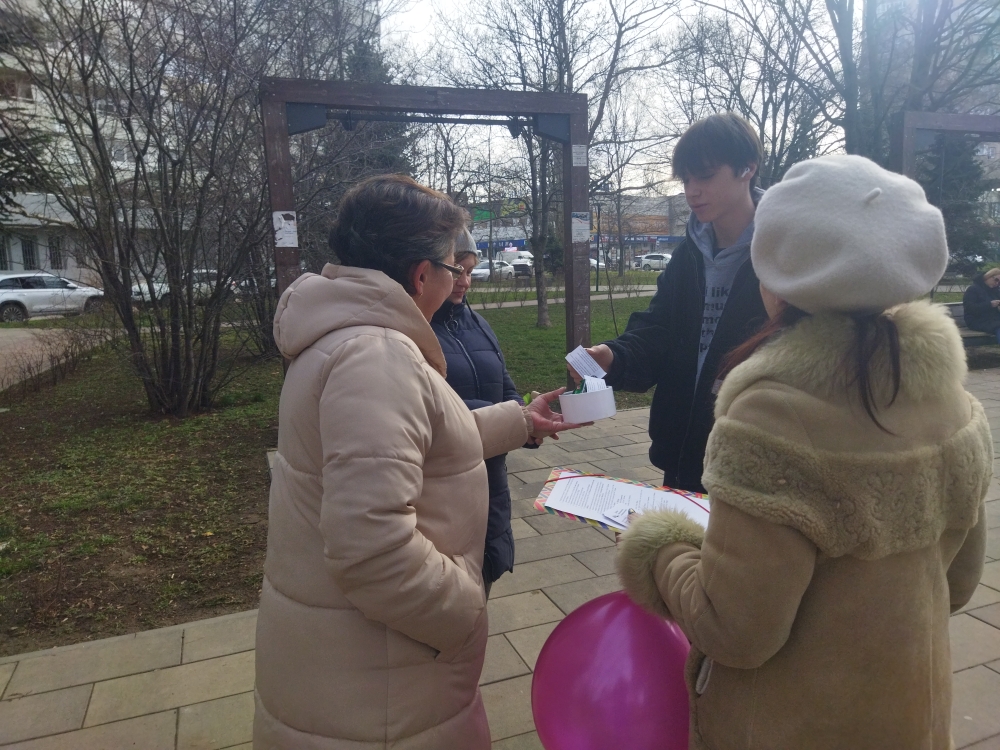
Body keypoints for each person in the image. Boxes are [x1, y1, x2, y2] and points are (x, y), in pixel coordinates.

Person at [617, 154, 990, 749]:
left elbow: (735, 629)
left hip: (788, 723)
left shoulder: (772, 417)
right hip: (911, 713)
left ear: (778, 270)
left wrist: (658, 548)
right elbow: (961, 584)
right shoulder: (956, 405)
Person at [253, 174, 584, 749]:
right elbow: (373, 550)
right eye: (454, 267)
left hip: (355, 663)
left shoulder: (346, 338)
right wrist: (464, 610)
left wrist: (520, 421)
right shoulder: (376, 356)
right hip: (384, 681)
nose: (459, 281)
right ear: (420, 275)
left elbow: (418, 441)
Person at [575, 113, 767, 492]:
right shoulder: (688, 254)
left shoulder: (782, 253)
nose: (692, 191)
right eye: (686, 180)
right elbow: (660, 330)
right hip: (680, 455)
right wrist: (614, 356)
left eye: (705, 176)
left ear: (747, 168)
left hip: (751, 462)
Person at [431, 230, 534, 596]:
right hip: (446, 493)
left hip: (491, 482)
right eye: (456, 270)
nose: (465, 281)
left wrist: (528, 419)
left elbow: (505, 386)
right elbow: (434, 414)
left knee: (480, 591)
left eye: (471, 271)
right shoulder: (413, 332)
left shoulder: (477, 324)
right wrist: (515, 422)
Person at [963, 267, 1000, 342]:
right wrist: (990, 305)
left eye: (999, 282)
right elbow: (970, 308)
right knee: (998, 327)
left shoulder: (995, 291)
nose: (997, 283)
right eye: (996, 280)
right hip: (976, 320)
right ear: (988, 276)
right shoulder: (973, 289)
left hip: (992, 319)